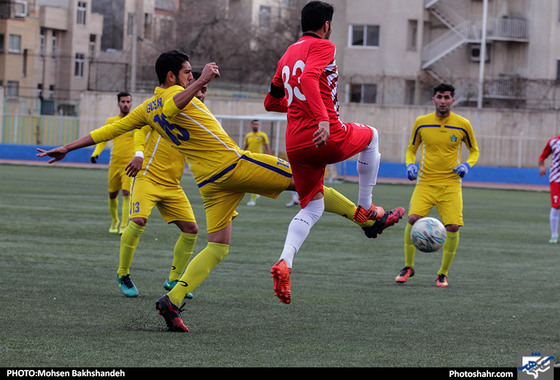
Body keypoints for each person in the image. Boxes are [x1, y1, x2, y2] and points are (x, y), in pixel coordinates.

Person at [38, 50, 390, 332]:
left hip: (208, 183)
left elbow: (106, 131)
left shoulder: (146, 109)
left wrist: (67, 147)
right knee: (309, 184)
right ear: (172, 77)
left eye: (194, 72)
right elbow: (174, 105)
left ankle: (172, 300)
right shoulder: (174, 96)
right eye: (188, 71)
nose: (192, 76)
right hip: (233, 165)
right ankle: (365, 217)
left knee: (218, 246)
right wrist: (204, 78)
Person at [264, 1, 405, 304]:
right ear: (326, 25)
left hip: (295, 144)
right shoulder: (324, 46)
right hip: (323, 134)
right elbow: (307, 79)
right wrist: (322, 118)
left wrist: (299, 107)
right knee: (372, 137)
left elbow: (270, 103)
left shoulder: (288, 53)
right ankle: (365, 208)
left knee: (312, 208)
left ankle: (285, 262)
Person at [114, 72, 208, 298]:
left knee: (191, 230)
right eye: (196, 87)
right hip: (148, 177)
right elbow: (141, 127)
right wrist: (138, 154)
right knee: (138, 221)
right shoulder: (167, 106)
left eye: (204, 90)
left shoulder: (200, 117)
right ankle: (123, 273)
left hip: (172, 185)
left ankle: (173, 279)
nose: (201, 93)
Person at [396, 83, 480, 287]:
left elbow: (474, 150)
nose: (443, 101)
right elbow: (411, 149)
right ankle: (408, 267)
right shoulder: (422, 123)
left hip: (451, 185)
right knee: (413, 219)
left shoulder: (462, 124)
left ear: (452, 100)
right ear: (433, 99)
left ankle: (443, 273)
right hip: (426, 182)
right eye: (440, 97)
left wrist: (467, 166)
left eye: (447, 97)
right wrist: (409, 165)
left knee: (452, 226)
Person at [90, 92, 136, 234]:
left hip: (129, 165)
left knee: (127, 193)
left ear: (131, 103)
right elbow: (103, 138)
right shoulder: (111, 121)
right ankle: (115, 221)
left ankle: (123, 225)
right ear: (118, 104)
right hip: (114, 163)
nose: (125, 104)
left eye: (128, 101)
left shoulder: (136, 120)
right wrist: (95, 153)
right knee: (112, 194)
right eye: (123, 101)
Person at [243, 119, 271, 206]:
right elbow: (245, 147)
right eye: (254, 124)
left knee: (254, 179)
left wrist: (269, 158)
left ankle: (252, 200)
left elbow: (267, 147)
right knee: (252, 179)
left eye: (257, 124)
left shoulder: (262, 135)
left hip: (259, 160)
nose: (256, 126)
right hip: (250, 159)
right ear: (251, 125)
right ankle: (258, 192)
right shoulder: (248, 136)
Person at [538, 136, 560, 244]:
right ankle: (554, 235)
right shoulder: (553, 142)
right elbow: (542, 157)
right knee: (556, 205)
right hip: (556, 179)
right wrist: (542, 166)